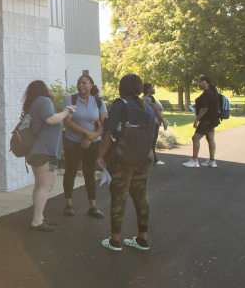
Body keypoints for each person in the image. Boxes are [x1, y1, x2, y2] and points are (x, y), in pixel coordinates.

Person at [95, 74, 156, 251]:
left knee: (119, 198)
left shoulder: (120, 106)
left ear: (122, 87)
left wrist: (101, 156)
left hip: (122, 160)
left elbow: (109, 133)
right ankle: (142, 239)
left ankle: (115, 241)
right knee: (141, 197)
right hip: (144, 158)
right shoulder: (148, 108)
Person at [23, 80, 74, 232]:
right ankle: (37, 220)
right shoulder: (43, 101)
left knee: (40, 185)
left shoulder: (33, 104)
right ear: (44, 90)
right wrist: (66, 111)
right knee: (47, 185)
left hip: (35, 151)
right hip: (44, 151)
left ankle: (40, 217)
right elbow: (51, 119)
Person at [61, 75, 108, 218]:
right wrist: (87, 132)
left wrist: (91, 137)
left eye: (84, 83)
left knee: (89, 173)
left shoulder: (98, 102)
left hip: (92, 144)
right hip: (72, 142)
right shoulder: (71, 100)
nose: (80, 85)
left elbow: (105, 123)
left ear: (91, 85)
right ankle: (69, 205)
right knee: (71, 171)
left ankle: (93, 207)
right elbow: (67, 122)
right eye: (78, 82)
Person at [183, 76, 220, 168]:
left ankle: (194, 161)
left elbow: (205, 108)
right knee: (210, 139)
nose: (198, 84)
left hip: (206, 119)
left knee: (195, 138)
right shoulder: (211, 92)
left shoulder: (207, 93)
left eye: (199, 82)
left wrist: (197, 120)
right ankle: (212, 161)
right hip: (212, 119)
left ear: (205, 82)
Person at [142, 83, 168, 165]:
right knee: (153, 141)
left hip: (145, 122)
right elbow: (156, 110)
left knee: (148, 141)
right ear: (148, 89)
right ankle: (154, 159)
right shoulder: (150, 98)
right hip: (154, 122)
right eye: (153, 87)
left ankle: (148, 158)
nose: (154, 89)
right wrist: (163, 121)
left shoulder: (142, 99)